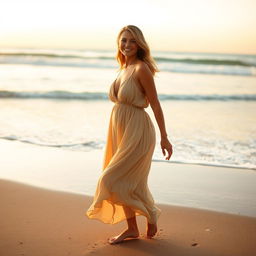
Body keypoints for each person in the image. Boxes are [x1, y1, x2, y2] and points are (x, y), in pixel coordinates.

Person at [86, 25, 173, 245]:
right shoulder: (123, 68)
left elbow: (155, 105)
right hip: (119, 129)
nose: (126, 45)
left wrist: (164, 137)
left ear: (140, 44)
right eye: (123, 40)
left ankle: (149, 214)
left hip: (138, 130)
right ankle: (133, 228)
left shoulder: (141, 69)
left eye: (132, 41)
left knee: (112, 178)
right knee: (125, 180)